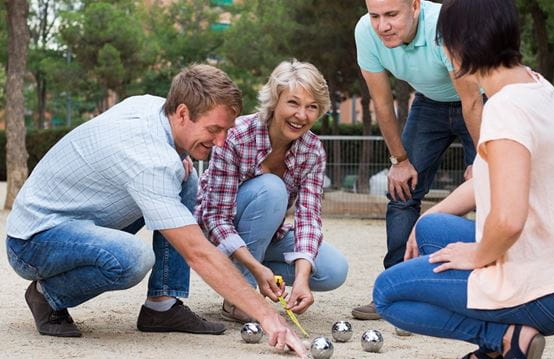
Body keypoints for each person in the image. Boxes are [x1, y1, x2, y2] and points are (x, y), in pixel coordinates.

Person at [5, 64, 306, 357]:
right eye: (214, 129)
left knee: (186, 178)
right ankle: (47, 296)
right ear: (183, 113)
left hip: (81, 220)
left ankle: (161, 306)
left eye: (226, 130)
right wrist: (268, 317)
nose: (221, 142)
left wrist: (178, 156)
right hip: (33, 240)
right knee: (132, 258)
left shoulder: (154, 107)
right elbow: (197, 252)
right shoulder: (150, 159)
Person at [372, 1, 554, 358]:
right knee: (433, 230)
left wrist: (479, 255)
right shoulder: (536, 86)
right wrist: (421, 221)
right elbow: (485, 180)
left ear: (459, 46)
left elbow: (509, 220)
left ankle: (506, 339)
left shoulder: (504, 110)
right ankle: (503, 341)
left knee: (388, 294)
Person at [352, 0, 484, 320]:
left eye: (392, 15)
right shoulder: (365, 33)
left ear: (414, 6)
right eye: (375, 16)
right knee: (402, 192)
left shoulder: (445, 25)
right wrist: (399, 160)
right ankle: (394, 289)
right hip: (429, 104)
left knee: (489, 190)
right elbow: (383, 104)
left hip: (479, 101)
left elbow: (470, 99)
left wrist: (483, 158)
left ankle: (486, 292)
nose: (383, 25)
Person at [195, 59, 348, 323]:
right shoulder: (237, 136)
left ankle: (249, 271)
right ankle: (239, 294)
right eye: (293, 103)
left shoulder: (312, 150)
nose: (302, 115)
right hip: (216, 234)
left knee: (332, 271)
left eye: (312, 107)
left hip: (263, 235)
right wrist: (255, 269)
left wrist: (301, 280)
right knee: (272, 188)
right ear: (274, 101)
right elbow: (214, 218)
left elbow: (309, 219)